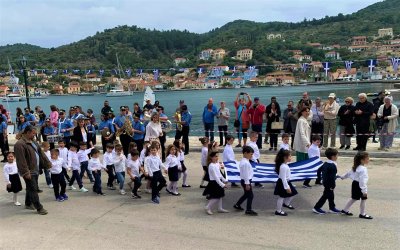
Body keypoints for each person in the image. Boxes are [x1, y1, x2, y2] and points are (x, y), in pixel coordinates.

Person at [14, 126, 51, 215]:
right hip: (29, 171)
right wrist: (26, 172)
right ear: (27, 133)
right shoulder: (20, 144)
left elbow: (41, 153)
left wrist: (47, 163)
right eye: (33, 133)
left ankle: (28, 203)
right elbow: (21, 160)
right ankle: (39, 208)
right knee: (33, 189)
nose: (35, 135)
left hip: (36, 169)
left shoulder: (33, 141)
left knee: (30, 188)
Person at [340, 152, 373, 219]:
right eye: (367, 158)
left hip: (354, 184)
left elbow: (348, 174)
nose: (368, 160)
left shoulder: (356, 167)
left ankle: (345, 210)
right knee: (363, 199)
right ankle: (362, 214)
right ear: (362, 160)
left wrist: (342, 177)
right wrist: (364, 191)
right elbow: (362, 181)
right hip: (359, 185)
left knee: (353, 198)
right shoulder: (363, 169)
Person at [233, 146, 258, 216]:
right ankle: (248, 210)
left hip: (244, 180)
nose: (251, 156)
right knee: (250, 195)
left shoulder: (244, 161)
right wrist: (247, 184)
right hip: (246, 181)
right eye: (251, 154)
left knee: (246, 194)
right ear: (245, 153)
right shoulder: (246, 163)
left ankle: (237, 204)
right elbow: (246, 174)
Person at [203, 151, 229, 215]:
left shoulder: (217, 164)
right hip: (214, 183)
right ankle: (208, 207)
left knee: (220, 196)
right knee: (216, 197)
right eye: (215, 156)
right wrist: (222, 185)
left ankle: (220, 208)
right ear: (211, 157)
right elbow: (216, 177)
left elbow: (220, 173)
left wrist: (224, 179)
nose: (217, 158)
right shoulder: (211, 166)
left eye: (217, 156)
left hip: (218, 181)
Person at [274, 149, 297, 216]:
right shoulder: (283, 166)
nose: (291, 157)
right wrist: (287, 187)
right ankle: (278, 211)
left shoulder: (285, 164)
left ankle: (286, 204)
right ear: (285, 158)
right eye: (290, 156)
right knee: (281, 197)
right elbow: (283, 178)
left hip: (286, 182)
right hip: (283, 183)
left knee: (293, 193)